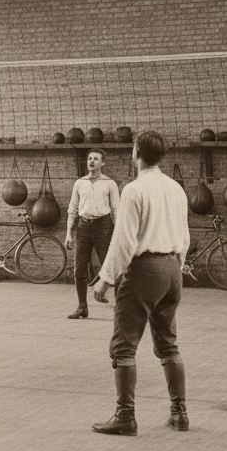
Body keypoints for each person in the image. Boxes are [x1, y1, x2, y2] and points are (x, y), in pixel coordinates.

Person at [90, 130, 190, 435]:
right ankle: (180, 413)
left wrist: (105, 280)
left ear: (136, 153)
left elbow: (124, 242)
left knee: (123, 348)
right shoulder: (176, 189)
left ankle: (125, 417)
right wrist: (175, 266)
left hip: (145, 270)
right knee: (168, 345)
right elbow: (184, 236)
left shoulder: (134, 189)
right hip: (173, 269)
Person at [64, 149, 119, 319]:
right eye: (89, 158)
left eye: (96, 159)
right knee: (79, 269)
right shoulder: (79, 183)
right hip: (83, 226)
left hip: (104, 226)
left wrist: (119, 235)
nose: (92, 161)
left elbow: (116, 210)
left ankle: (120, 308)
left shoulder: (110, 183)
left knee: (111, 267)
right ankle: (82, 307)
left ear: (103, 163)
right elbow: (72, 210)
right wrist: (69, 234)